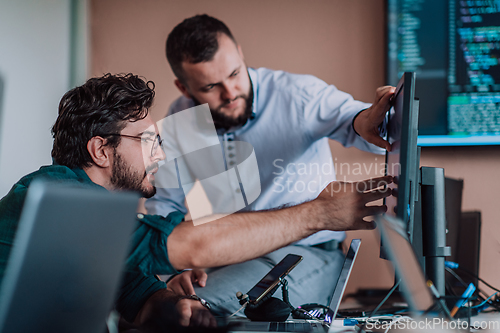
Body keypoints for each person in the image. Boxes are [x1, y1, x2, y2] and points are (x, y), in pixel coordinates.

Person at [0, 73, 391, 328]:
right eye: (148, 142)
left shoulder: (100, 226)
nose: (161, 155)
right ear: (101, 150)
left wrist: (181, 308)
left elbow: (142, 299)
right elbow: (193, 245)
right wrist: (320, 213)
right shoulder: (51, 196)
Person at [146, 14, 396, 315]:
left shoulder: (297, 96)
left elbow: (357, 121)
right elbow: (163, 205)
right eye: (211, 87)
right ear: (184, 88)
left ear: (240, 53)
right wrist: (174, 270)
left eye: (235, 74)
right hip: (222, 257)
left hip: (302, 253)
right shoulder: (179, 119)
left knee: (192, 313)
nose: (230, 93)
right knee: (151, 306)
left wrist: (368, 120)